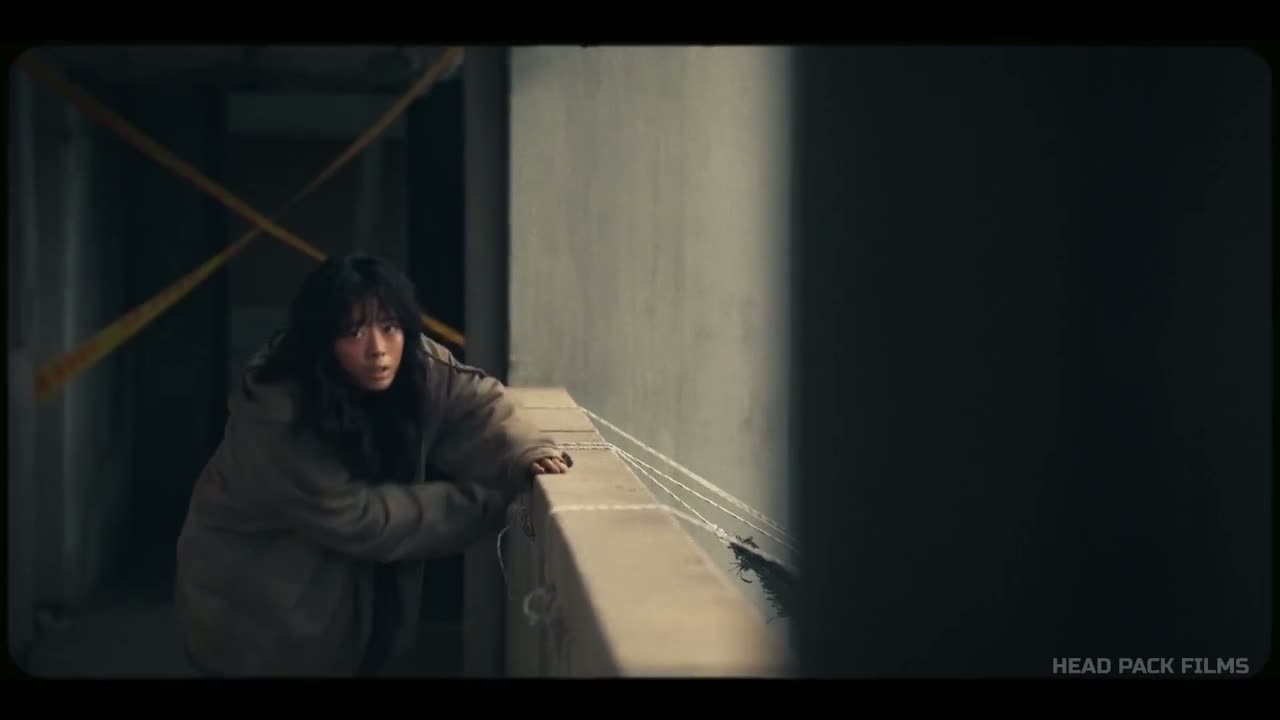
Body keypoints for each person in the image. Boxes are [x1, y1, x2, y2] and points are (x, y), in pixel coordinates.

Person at [175, 254, 571, 677]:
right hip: (255, 594)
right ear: (322, 340)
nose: (378, 349)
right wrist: (488, 502)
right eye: (354, 332)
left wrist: (523, 450)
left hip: (348, 589)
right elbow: (357, 518)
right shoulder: (278, 409)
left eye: (390, 327)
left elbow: (472, 402)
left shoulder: (415, 362)